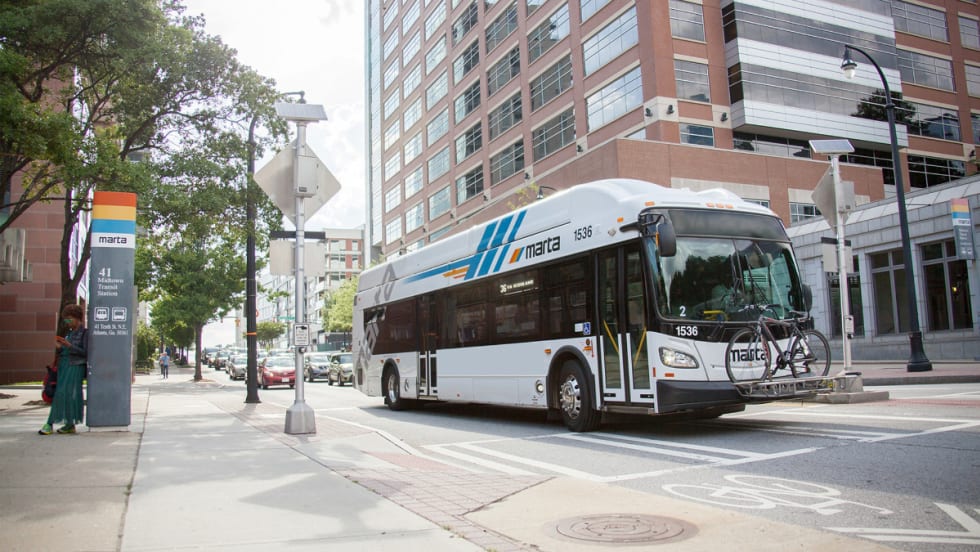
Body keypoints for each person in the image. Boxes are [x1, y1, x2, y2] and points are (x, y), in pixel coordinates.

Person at [39, 304, 87, 435]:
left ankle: (50, 423)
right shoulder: (70, 333)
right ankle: (69, 424)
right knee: (63, 393)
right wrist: (60, 347)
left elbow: (85, 352)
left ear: (77, 318)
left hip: (75, 367)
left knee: (65, 394)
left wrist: (69, 346)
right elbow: (66, 350)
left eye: (69, 319)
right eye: (66, 320)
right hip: (65, 365)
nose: (67, 322)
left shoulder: (84, 333)